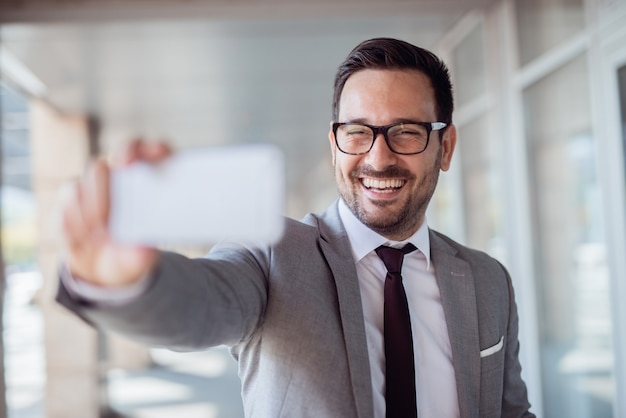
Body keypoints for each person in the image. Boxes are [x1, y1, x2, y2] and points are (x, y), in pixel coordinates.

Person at [58, 38, 535, 418]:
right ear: (334, 144)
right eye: (357, 132)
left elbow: (509, 410)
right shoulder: (272, 254)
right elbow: (199, 306)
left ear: (446, 146)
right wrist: (123, 283)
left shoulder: (487, 280)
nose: (378, 156)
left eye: (406, 131)